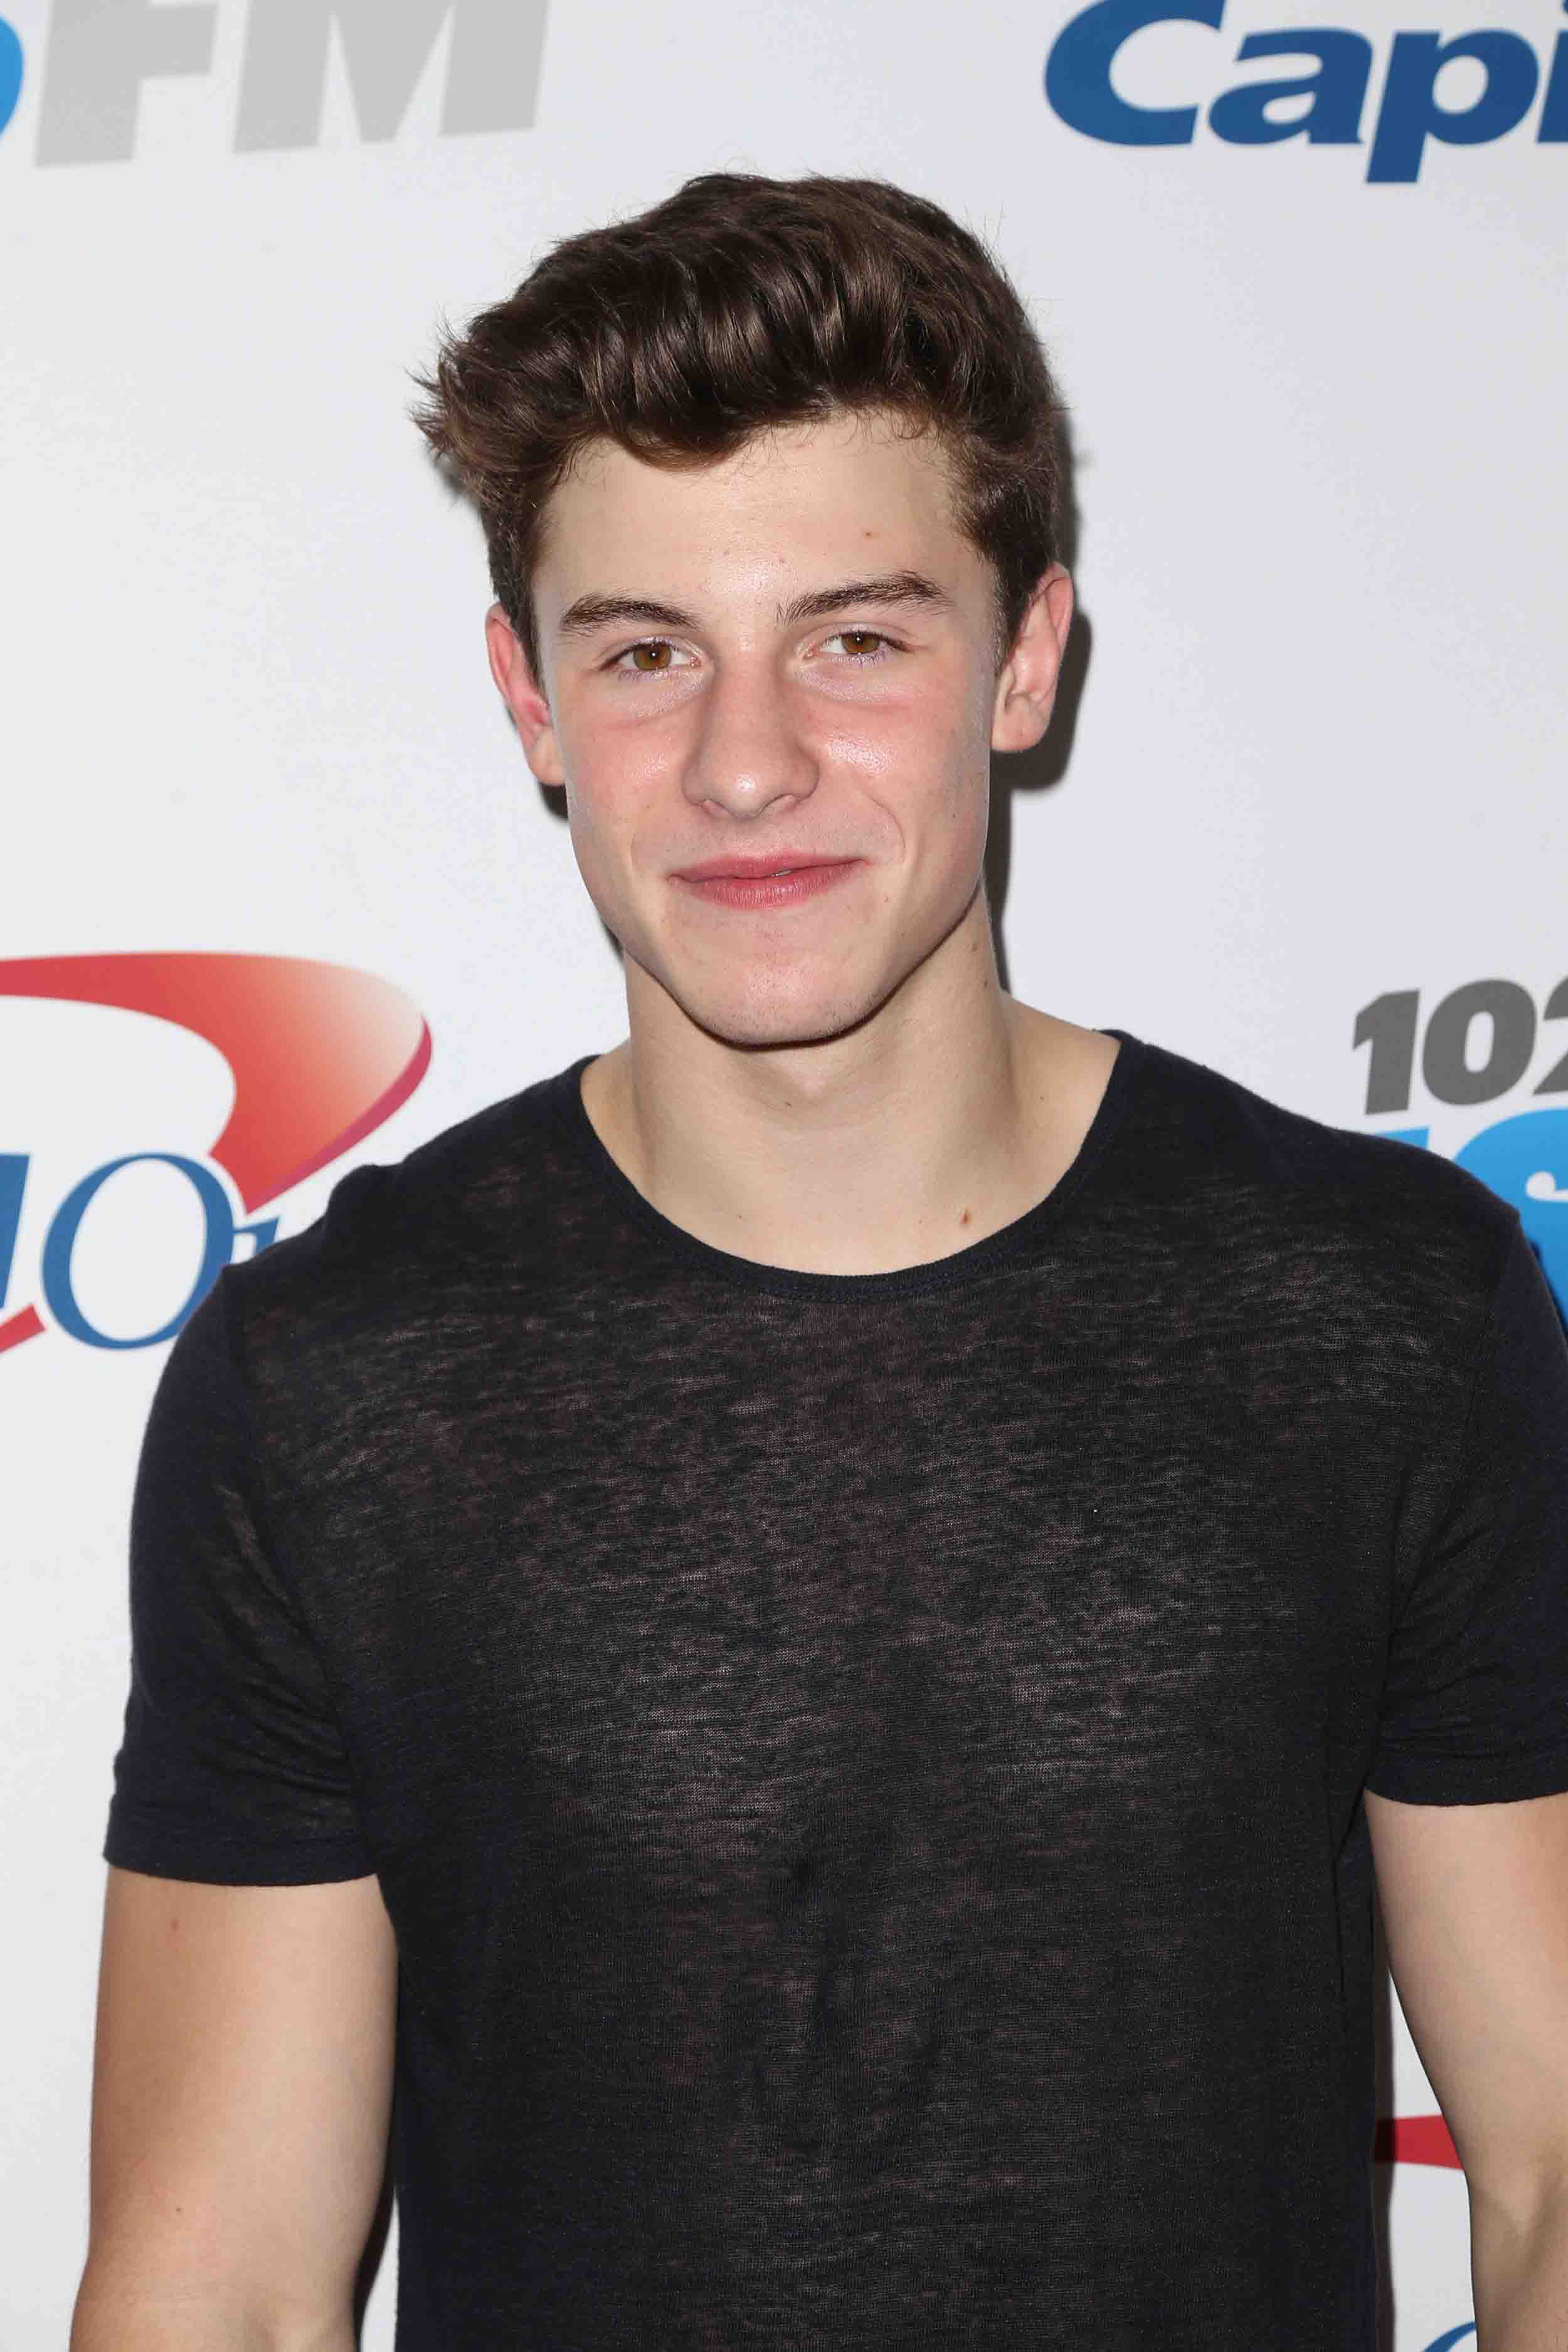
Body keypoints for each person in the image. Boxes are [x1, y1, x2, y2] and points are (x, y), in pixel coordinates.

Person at [72, 172, 1568, 2352]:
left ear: (1023, 659)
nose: (746, 763)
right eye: (645, 653)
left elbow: (1548, 2170)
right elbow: (218, 2288)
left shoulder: (1385, 1311)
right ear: (529, 701)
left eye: (855, 640)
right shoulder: (328, 1383)